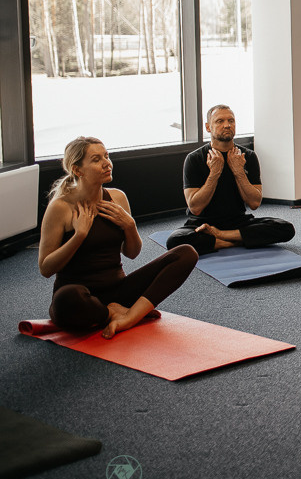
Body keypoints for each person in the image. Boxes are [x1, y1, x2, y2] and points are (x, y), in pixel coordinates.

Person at [38, 137, 197, 338]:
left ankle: (129, 316)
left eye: (107, 156)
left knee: (186, 253)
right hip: (79, 296)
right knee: (67, 299)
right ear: (78, 170)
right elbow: (45, 268)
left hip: (119, 291)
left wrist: (129, 226)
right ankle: (112, 313)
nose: (107, 163)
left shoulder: (118, 197)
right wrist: (79, 235)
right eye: (96, 159)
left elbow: (131, 253)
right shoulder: (60, 207)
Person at [166, 105, 296, 253]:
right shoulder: (194, 158)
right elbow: (195, 208)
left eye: (231, 121)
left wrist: (238, 171)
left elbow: (254, 203)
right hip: (202, 223)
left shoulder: (248, 156)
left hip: (238, 221)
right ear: (208, 127)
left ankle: (220, 238)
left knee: (286, 228)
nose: (227, 125)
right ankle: (236, 241)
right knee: (175, 241)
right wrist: (214, 173)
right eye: (220, 121)